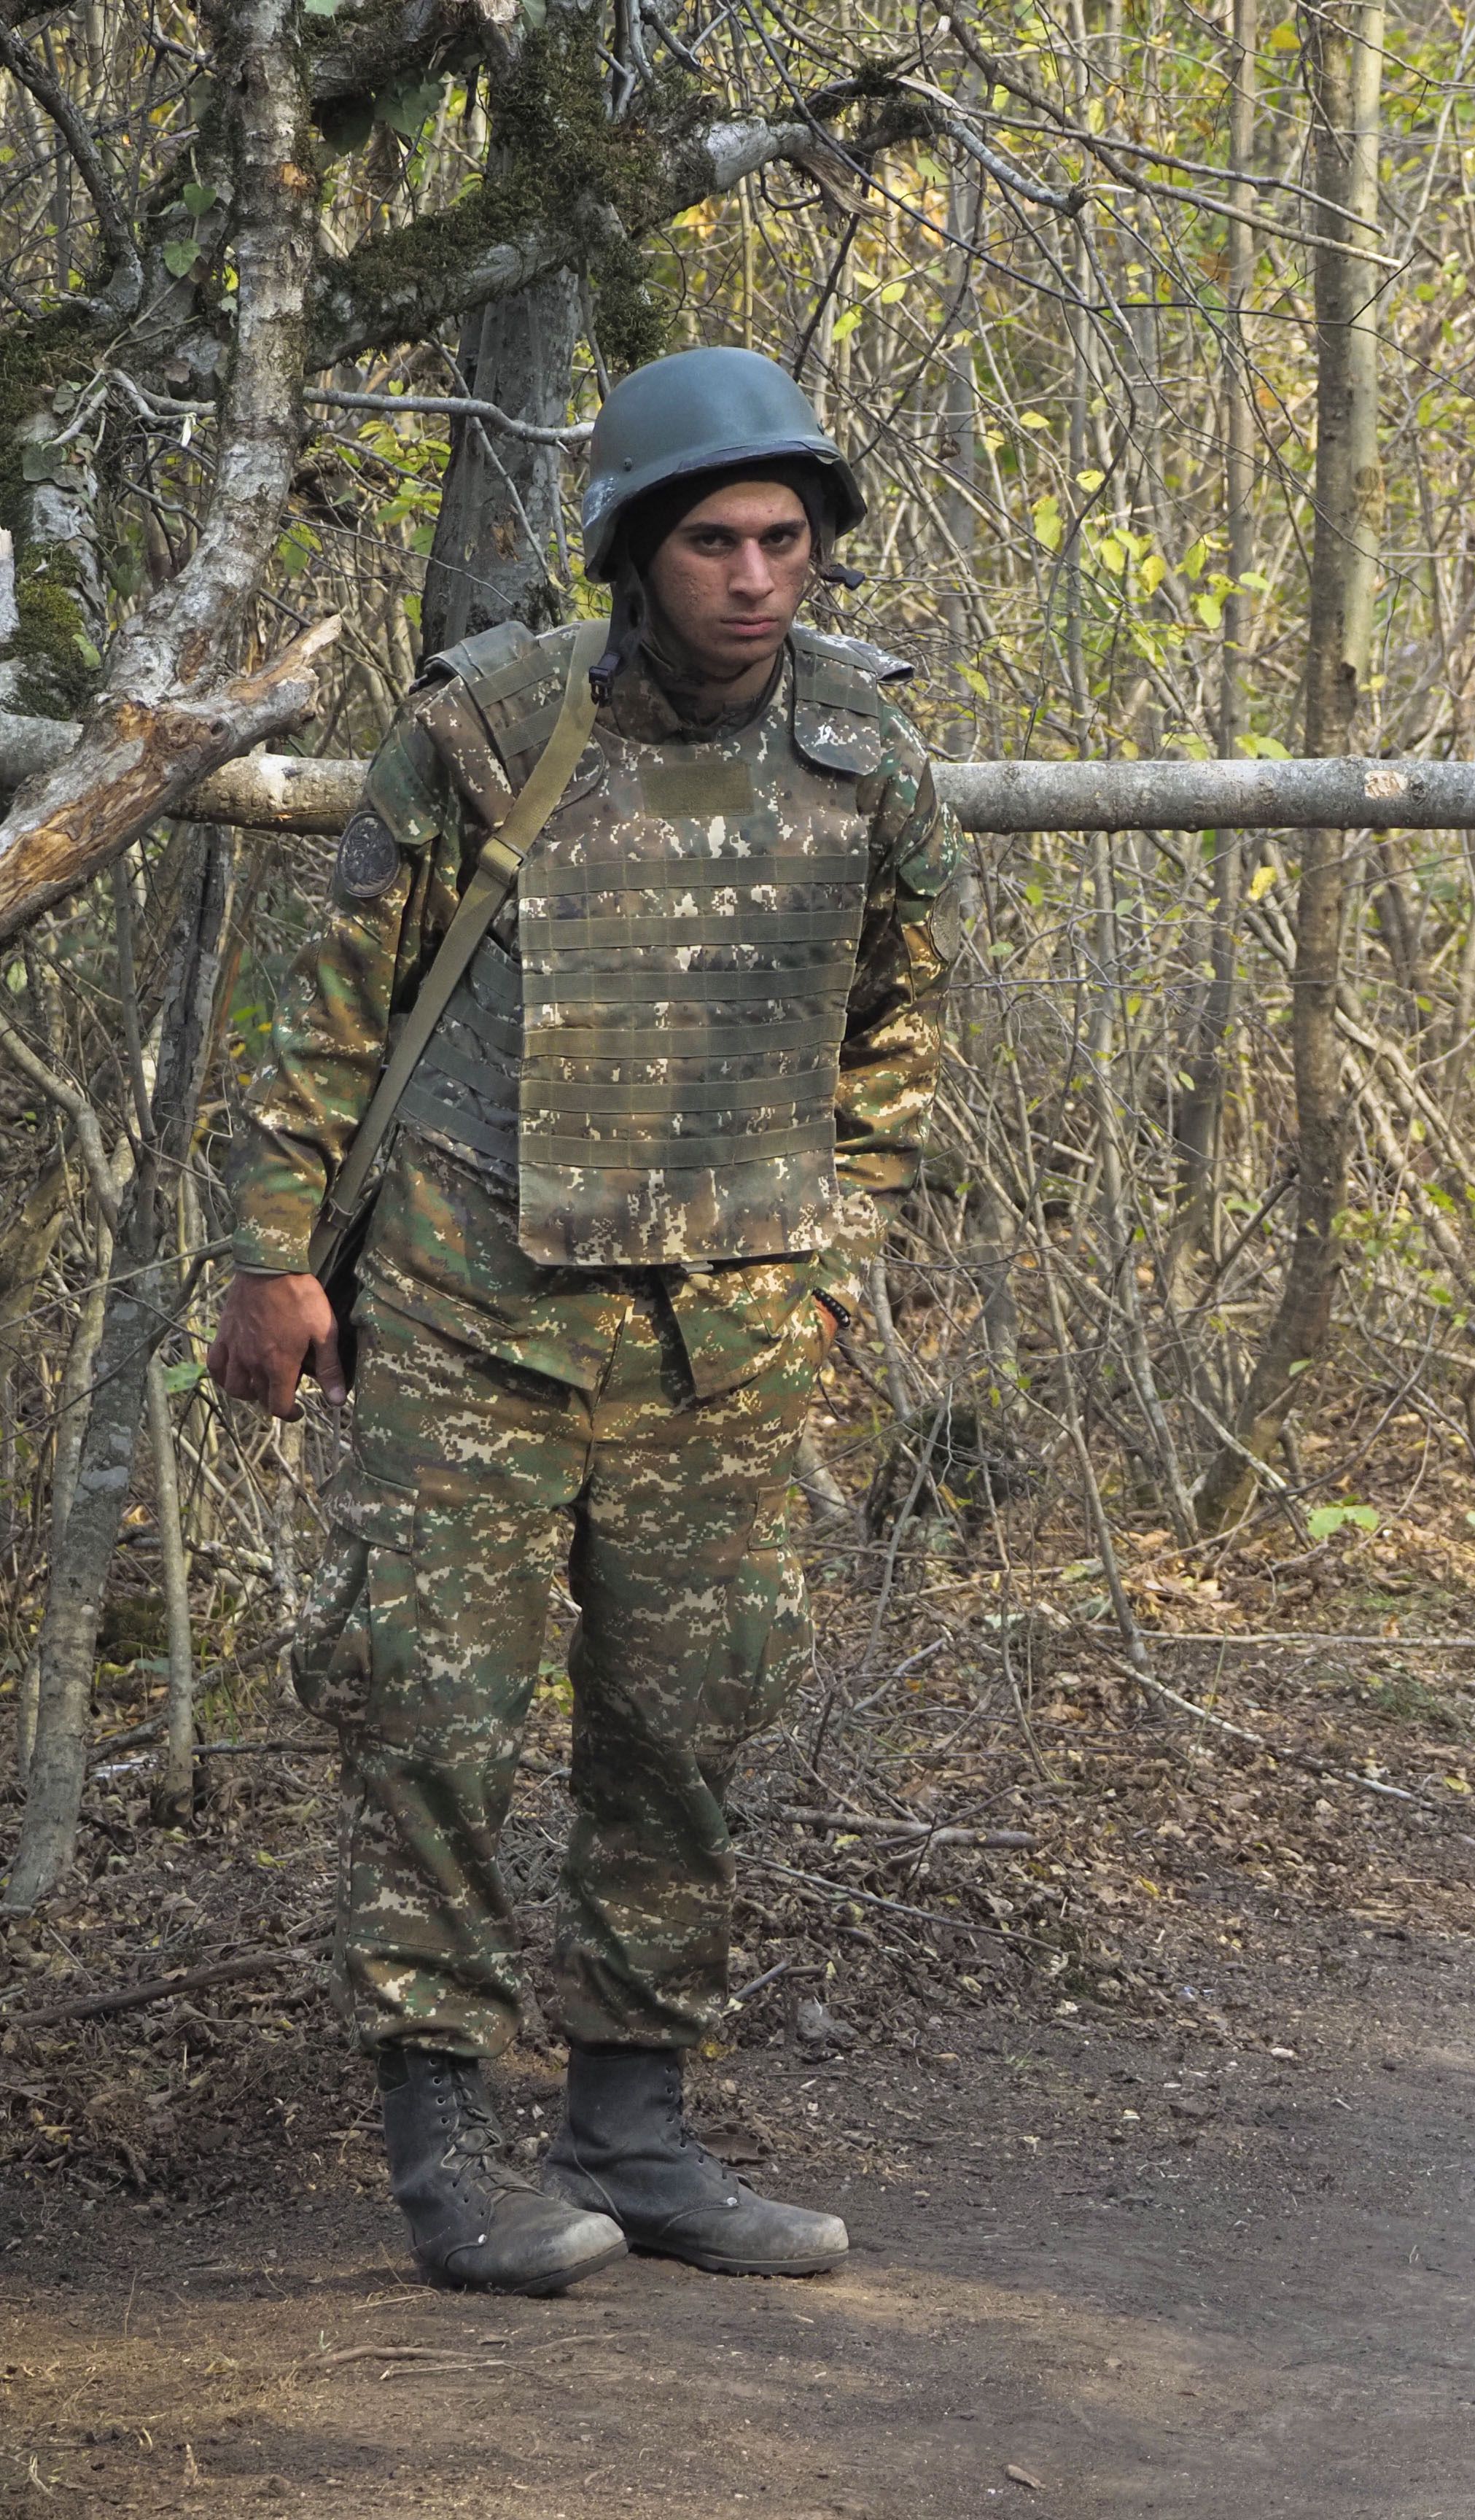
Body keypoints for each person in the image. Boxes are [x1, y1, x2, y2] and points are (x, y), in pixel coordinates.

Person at [210, 346, 962, 2295]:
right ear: (639, 545)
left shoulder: (866, 763)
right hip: (471, 1314)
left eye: (784, 539)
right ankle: (446, 2159)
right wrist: (274, 1256)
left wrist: (833, 1253)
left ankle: (636, 2135)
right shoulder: (487, 733)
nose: (754, 576)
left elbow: (898, 1035)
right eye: (713, 537)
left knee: (686, 1735)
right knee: (436, 1726)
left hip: (725, 1340)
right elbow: (329, 1016)